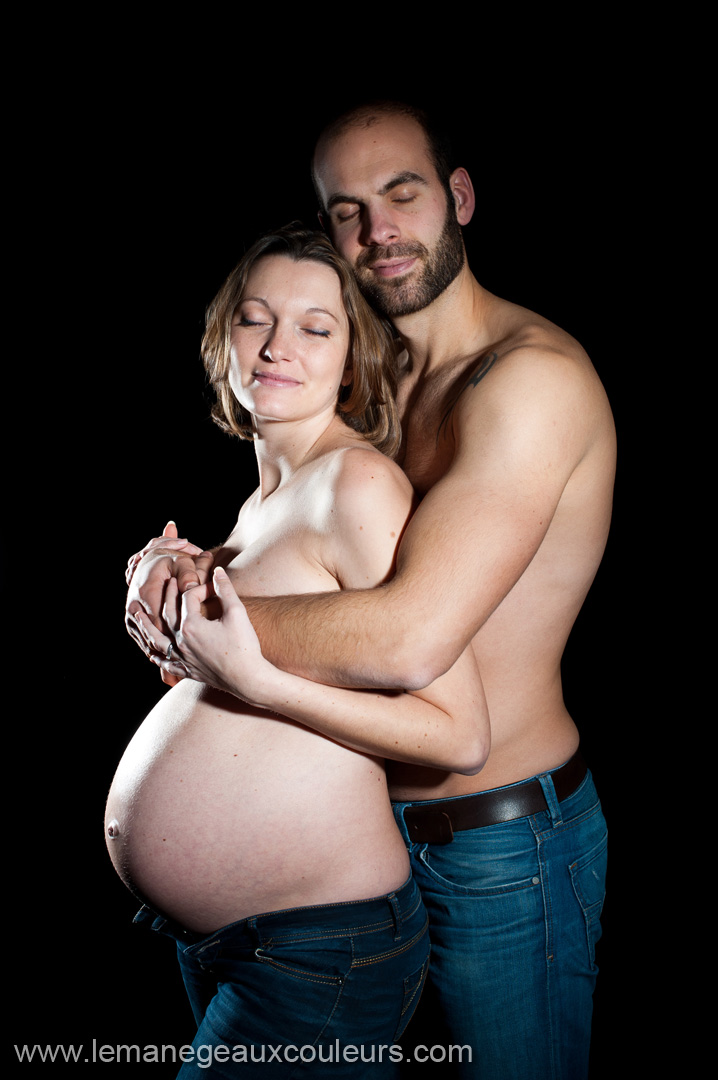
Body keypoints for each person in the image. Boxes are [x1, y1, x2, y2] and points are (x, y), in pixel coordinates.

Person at [127, 102, 616, 1079]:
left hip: (496, 849)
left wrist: (199, 625)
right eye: (345, 209)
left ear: (459, 197)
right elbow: (311, 538)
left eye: (402, 192)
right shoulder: (373, 385)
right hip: (363, 856)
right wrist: (191, 565)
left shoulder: (526, 384)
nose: (377, 230)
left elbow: (408, 639)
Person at [111, 225, 490, 1078]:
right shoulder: (259, 508)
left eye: (317, 327)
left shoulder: (355, 484)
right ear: (223, 341)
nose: (278, 345)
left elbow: (460, 734)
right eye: (255, 320)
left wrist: (258, 682)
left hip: (322, 948)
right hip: (240, 941)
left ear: (353, 360)